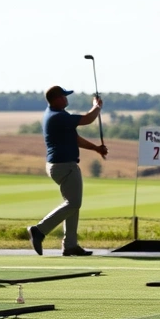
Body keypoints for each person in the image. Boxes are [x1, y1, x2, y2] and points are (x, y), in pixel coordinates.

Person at [27, 85, 107, 257]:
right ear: (56, 99)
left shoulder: (55, 115)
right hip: (65, 165)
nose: (66, 99)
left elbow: (75, 139)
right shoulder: (58, 117)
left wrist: (96, 149)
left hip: (59, 165)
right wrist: (97, 106)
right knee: (73, 203)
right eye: (64, 96)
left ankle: (70, 245)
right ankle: (39, 230)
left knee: (73, 204)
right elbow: (87, 119)